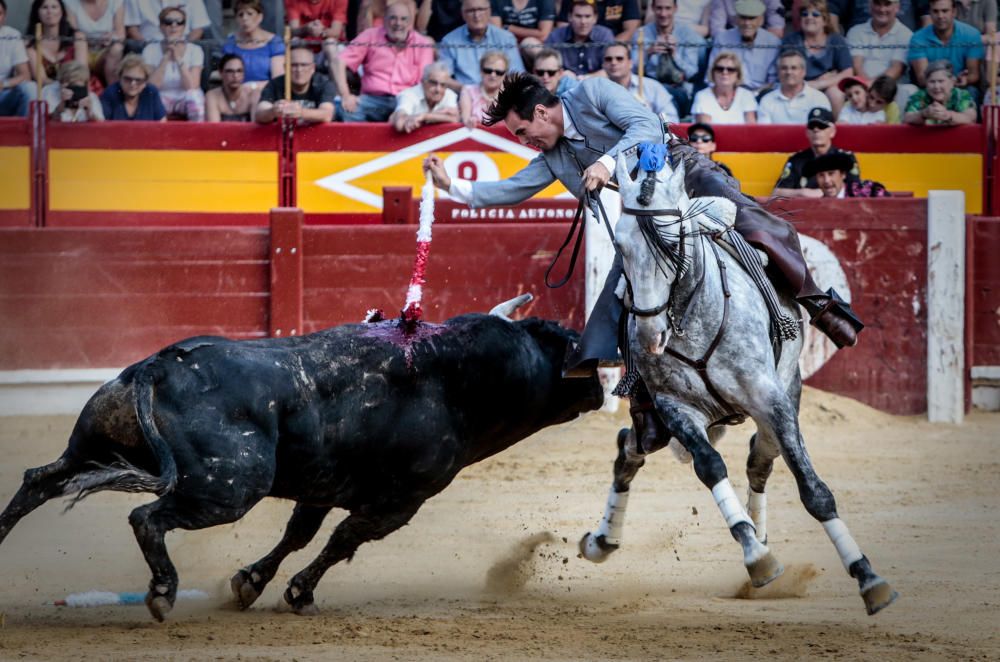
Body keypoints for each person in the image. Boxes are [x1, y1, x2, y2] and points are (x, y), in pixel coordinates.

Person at [422, 73, 865, 449]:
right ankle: (646, 404)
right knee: (626, 299)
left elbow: (647, 126)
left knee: (762, 226)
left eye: (522, 132)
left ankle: (817, 303)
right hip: (647, 215)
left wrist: (608, 166)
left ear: (540, 112)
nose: (526, 142)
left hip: (683, 173)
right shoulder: (555, 154)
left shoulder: (592, 92)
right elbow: (513, 188)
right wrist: (453, 188)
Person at [333, 0, 434, 121]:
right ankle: (365, 140)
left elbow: (425, 79)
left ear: (410, 22)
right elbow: (338, 61)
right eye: (393, 18)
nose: (398, 23)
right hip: (373, 99)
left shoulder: (422, 43)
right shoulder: (370, 35)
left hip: (406, 99)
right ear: (384, 20)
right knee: (346, 109)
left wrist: (409, 107)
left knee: (416, 116)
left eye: (403, 19)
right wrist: (346, 95)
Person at [631, 0, 706, 120]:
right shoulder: (642, 34)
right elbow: (632, 69)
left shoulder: (687, 34)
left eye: (667, 8)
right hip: (649, 88)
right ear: (653, 8)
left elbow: (692, 73)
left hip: (679, 89)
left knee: (665, 94)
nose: (663, 13)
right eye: (659, 8)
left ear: (675, 9)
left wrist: (675, 55)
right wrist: (648, 53)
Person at [780, 0, 854, 116]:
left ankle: (835, 130)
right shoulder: (791, 41)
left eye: (815, 14)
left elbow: (848, 72)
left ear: (825, 20)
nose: (809, 17)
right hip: (799, 87)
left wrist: (820, 83)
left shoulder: (836, 40)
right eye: (805, 14)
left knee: (835, 93)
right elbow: (787, 72)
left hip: (827, 87)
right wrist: (815, 82)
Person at [773, 106, 860, 197]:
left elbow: (856, 190)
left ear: (832, 131)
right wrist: (802, 193)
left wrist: (824, 193)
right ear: (807, 132)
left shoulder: (845, 158)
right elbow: (776, 192)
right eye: (812, 127)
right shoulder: (797, 160)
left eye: (822, 126)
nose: (816, 130)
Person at [439, 0, 525, 91]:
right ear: (463, 14)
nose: (476, 15)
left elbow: (517, 74)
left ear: (489, 11)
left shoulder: (506, 38)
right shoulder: (449, 41)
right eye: (471, 10)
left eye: (481, 9)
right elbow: (443, 77)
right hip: (464, 97)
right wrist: (468, 91)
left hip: (500, 96)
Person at [141, 6, 204, 121]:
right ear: (161, 27)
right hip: (161, 97)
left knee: (194, 96)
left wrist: (178, 58)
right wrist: (166, 57)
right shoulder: (149, 50)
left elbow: (192, 86)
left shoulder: (195, 50)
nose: (174, 25)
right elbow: (152, 86)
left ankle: (197, 135)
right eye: (168, 22)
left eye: (179, 22)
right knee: (148, 97)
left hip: (184, 97)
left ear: (184, 27)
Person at [705, 0, 780, 93]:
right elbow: (711, 78)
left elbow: (773, 82)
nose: (747, 23)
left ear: (761, 20)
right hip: (727, 93)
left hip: (759, 95)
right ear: (736, 19)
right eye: (743, 18)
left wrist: (755, 94)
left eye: (752, 18)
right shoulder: (722, 39)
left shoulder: (772, 43)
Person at [908, 0, 983, 90]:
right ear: (930, 13)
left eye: (945, 11)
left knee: (972, 91)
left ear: (954, 12)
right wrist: (944, 83)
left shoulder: (972, 34)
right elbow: (922, 79)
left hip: (959, 87)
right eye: (935, 11)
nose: (940, 16)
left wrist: (965, 79)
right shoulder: (918, 38)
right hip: (932, 87)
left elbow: (974, 74)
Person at [255, 44, 335, 123]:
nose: (299, 70)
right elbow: (259, 113)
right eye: (293, 65)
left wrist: (301, 112)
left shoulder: (324, 84)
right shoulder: (274, 84)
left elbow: (327, 114)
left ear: (313, 68)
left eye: (304, 65)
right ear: (285, 67)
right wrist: (273, 111)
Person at [601, 42, 679, 122]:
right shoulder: (598, 91)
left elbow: (671, 120)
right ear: (603, 65)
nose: (613, 62)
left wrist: (650, 118)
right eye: (608, 59)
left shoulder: (653, 87)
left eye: (619, 58)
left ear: (630, 63)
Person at [26, 0, 89, 89]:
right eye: (44, 7)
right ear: (37, 12)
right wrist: (61, 88)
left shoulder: (77, 37)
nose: (49, 11)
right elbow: (42, 79)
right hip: (48, 91)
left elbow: (82, 71)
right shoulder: (31, 44)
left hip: (80, 87)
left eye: (54, 7)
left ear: (62, 12)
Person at [846, 0, 913, 84]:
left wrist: (872, 86)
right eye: (877, 3)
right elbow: (857, 66)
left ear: (897, 7)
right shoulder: (855, 31)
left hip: (893, 87)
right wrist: (866, 85)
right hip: (861, 86)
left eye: (887, 4)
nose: (882, 9)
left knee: (910, 90)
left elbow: (897, 69)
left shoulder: (906, 35)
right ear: (870, 5)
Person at [757, 49, 831, 123]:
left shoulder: (818, 98)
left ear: (803, 71)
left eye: (794, 68)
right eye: (784, 68)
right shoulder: (767, 100)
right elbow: (764, 133)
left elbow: (825, 131)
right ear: (778, 72)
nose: (789, 72)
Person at [63, 0, 126, 86]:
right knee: (79, 38)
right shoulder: (71, 2)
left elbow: (121, 34)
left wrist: (112, 36)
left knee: (117, 48)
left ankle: (113, 89)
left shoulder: (115, 2)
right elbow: (73, 32)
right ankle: (82, 87)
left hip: (105, 51)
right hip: (81, 50)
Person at [543, 0, 614, 76]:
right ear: (569, 17)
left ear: (595, 18)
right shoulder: (555, 36)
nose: (583, 21)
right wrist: (562, 74)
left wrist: (587, 78)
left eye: (587, 16)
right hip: (563, 83)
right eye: (578, 16)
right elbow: (546, 67)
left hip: (597, 83)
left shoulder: (605, 35)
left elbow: (610, 68)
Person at [222, 0, 285, 85]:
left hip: (266, 92)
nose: (244, 18)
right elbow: (228, 78)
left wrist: (254, 87)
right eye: (240, 15)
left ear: (260, 17)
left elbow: (277, 79)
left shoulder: (274, 43)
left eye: (249, 14)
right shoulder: (231, 43)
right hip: (238, 93)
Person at [903, 58, 976, 124]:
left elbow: (970, 118)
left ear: (952, 82)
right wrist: (924, 113)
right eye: (932, 82)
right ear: (926, 83)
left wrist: (947, 115)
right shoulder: (919, 96)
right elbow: (907, 118)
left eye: (941, 81)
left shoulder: (961, 95)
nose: (936, 86)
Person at [691, 52, 759, 123]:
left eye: (730, 69)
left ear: (738, 74)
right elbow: (706, 130)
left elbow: (751, 128)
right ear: (713, 73)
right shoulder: (702, 96)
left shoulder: (747, 95)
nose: (725, 72)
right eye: (719, 69)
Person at [391, 61, 459, 132]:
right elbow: (400, 123)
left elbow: (455, 118)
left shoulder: (449, 95)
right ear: (423, 81)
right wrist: (439, 116)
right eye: (433, 83)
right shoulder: (409, 94)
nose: (438, 89)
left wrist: (424, 116)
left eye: (443, 85)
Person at [100, 52, 166, 119]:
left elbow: (162, 123)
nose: (132, 84)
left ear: (145, 82)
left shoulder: (151, 92)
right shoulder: (110, 93)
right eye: (128, 79)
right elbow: (101, 123)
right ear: (119, 78)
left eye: (138, 80)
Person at [0, 0, 35, 117]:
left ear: (4, 16)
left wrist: (3, 84)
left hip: (3, 94)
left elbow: (25, 75)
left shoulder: (12, 35)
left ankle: (24, 132)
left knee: (30, 87)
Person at [804, 151, 889, 197]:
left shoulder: (867, 191)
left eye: (831, 174)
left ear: (843, 175)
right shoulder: (816, 207)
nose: (826, 180)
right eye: (821, 175)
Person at [125, 0, 211, 43]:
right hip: (147, 45)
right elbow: (132, 29)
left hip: (183, 45)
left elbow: (198, 28)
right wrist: (148, 48)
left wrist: (184, 47)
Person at [460, 51, 508, 128]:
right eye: (488, 71)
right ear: (481, 71)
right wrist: (470, 121)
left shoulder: (511, 95)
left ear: (505, 74)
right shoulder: (467, 90)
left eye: (499, 72)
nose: (493, 75)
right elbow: (466, 120)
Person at [554, 0, 640, 41]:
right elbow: (563, 27)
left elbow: (631, 30)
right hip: (576, 44)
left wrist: (608, 45)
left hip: (613, 44)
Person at [206, 53, 255, 121]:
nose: (235, 76)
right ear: (221, 73)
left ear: (244, 74)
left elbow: (256, 128)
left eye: (239, 71)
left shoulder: (253, 95)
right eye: (229, 71)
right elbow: (214, 129)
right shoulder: (212, 96)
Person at [489, 0, 555, 44]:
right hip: (505, 43)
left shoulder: (545, 1)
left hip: (534, 44)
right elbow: (496, 32)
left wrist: (509, 28)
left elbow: (544, 35)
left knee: (530, 43)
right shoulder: (497, 1)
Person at [708, 0, 784, 37]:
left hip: (762, 37)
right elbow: (717, 30)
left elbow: (777, 30)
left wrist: (753, 39)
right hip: (731, 38)